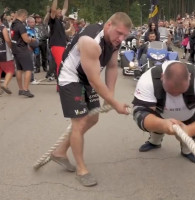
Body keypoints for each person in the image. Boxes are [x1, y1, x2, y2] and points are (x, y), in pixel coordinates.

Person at [52, 12, 132, 187]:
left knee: (93, 118)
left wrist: (110, 94)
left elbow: (111, 66)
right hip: (71, 77)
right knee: (79, 123)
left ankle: (60, 151)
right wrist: (115, 103)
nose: (121, 38)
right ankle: (81, 169)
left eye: (125, 35)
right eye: (119, 33)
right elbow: (95, 80)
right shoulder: (91, 42)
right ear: (109, 25)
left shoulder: (114, 42)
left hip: (87, 78)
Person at [132, 61, 195, 164]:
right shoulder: (148, 80)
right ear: (162, 77)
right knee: (156, 130)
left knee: (189, 140)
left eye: (181, 91)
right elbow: (139, 112)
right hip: (160, 111)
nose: (175, 95)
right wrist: (161, 124)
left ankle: (187, 151)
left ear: (190, 77)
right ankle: (154, 142)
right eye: (170, 91)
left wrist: (189, 130)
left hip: (190, 112)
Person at [11, 9, 37, 97]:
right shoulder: (21, 26)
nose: (25, 18)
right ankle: (26, 89)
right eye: (25, 17)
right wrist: (31, 39)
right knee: (28, 69)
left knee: (19, 69)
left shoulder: (13, 24)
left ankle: (20, 89)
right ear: (23, 16)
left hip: (15, 49)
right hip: (22, 49)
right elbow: (25, 39)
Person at [48, 0, 68, 76]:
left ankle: (60, 84)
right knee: (60, 65)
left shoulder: (59, 20)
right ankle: (60, 85)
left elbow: (65, 8)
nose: (60, 11)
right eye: (58, 10)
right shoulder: (52, 20)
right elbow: (53, 9)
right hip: (56, 45)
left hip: (62, 45)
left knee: (61, 64)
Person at [0, 16, 13, 95]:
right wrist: (11, 46)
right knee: (10, 70)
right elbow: (7, 40)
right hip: (3, 52)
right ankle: (5, 85)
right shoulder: (3, 28)